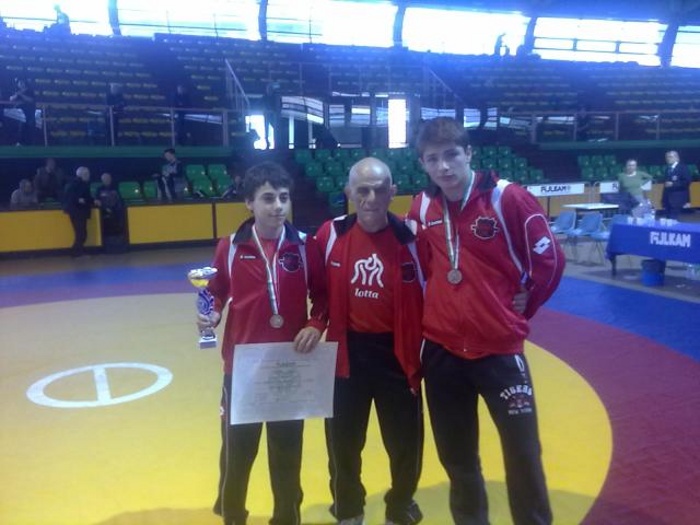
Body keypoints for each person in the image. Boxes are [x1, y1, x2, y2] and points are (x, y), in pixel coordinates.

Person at [407, 117, 565, 525]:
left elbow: (550, 259)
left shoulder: (507, 198)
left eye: (451, 155)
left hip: (499, 351)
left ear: (469, 153)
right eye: (433, 159)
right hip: (442, 352)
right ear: (423, 163)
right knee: (457, 458)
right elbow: (424, 268)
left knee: (523, 454)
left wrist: (525, 304)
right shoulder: (421, 207)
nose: (444, 167)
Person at [197, 161, 328, 525]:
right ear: (249, 203)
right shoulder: (229, 248)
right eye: (268, 198)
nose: (278, 206)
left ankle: (287, 517)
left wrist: (316, 323)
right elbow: (216, 291)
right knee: (238, 451)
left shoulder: (305, 247)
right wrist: (211, 312)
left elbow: (323, 295)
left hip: (289, 364)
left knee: (287, 451)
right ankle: (233, 515)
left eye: (284, 198)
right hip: (243, 368)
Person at [315, 158, 424, 525]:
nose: (371, 198)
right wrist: (314, 322)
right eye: (362, 190)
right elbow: (314, 289)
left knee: (405, 443)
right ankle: (348, 508)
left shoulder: (412, 238)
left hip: (398, 354)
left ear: (393, 191)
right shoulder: (330, 235)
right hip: (347, 354)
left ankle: (400, 505)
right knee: (342, 443)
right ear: (349, 192)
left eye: (380, 190)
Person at [63, 166, 96, 258]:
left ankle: (76, 251)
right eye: (86, 174)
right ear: (81, 175)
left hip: (76, 212)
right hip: (78, 212)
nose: (88, 175)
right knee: (81, 233)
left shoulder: (75, 184)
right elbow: (77, 198)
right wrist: (81, 200)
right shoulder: (78, 185)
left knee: (81, 233)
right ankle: (77, 253)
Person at [662, 150, 691, 219]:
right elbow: (666, 186)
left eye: (670, 157)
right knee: (668, 219)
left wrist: (673, 184)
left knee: (673, 218)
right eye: (667, 157)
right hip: (668, 200)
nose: (668, 159)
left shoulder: (682, 168)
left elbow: (687, 181)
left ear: (676, 157)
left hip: (677, 198)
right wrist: (663, 199)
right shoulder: (668, 169)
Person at [94, 172, 124, 237]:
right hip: (103, 209)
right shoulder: (99, 189)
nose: (107, 180)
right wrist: (104, 208)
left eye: (108, 178)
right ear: (102, 180)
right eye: (105, 179)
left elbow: (119, 199)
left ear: (110, 179)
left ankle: (118, 232)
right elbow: (97, 200)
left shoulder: (115, 188)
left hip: (115, 209)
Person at [9, 78, 36, 146]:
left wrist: (21, 95)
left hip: (28, 112)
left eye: (22, 83)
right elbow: (11, 99)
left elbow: (31, 100)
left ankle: (30, 143)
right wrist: (16, 95)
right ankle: (19, 142)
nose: (21, 84)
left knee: (29, 127)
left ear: (25, 83)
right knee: (19, 127)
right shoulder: (17, 91)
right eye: (19, 83)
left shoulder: (30, 91)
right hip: (18, 113)